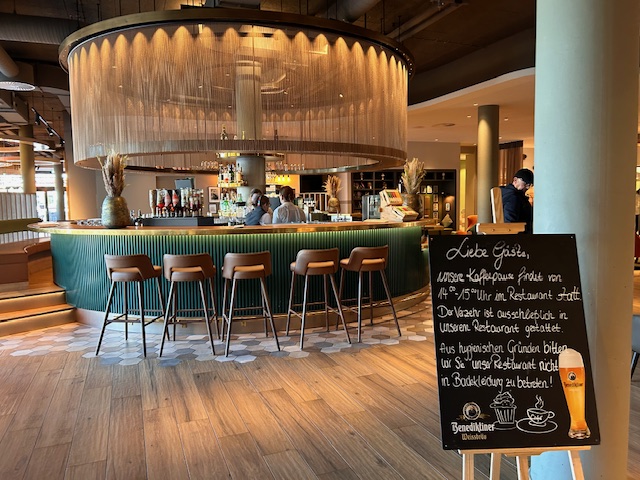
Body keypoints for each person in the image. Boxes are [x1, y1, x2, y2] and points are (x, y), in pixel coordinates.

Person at [501, 168, 534, 233]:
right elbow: (510, 224)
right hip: (519, 236)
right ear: (515, 180)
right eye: (526, 184)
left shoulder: (507, 193)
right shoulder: (513, 197)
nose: (528, 188)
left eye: (530, 185)